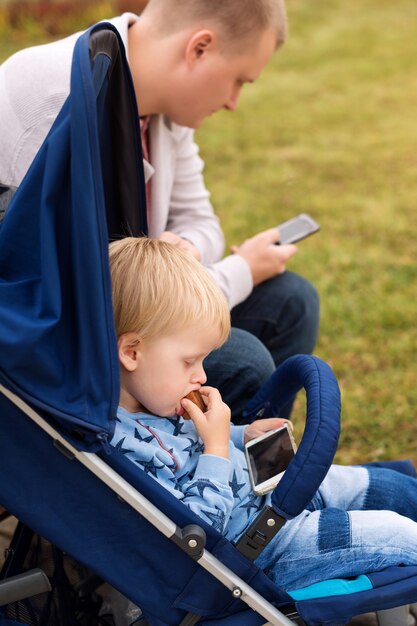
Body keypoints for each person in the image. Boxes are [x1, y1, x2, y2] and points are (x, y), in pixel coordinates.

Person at [0, 0, 319, 421]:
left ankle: (250, 462)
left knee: (291, 302)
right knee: (245, 361)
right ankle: (200, 474)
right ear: (199, 48)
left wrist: (181, 251)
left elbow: (203, 224)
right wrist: (238, 271)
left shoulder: (165, 107)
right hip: (74, 347)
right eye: (239, 80)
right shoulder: (57, 100)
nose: (234, 102)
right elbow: (75, 302)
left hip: (131, 312)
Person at [108, 236, 417, 593]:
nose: (202, 375)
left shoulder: (155, 399)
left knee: (379, 487)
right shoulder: (126, 451)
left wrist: (242, 434)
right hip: (263, 547)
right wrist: (218, 448)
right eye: (189, 361)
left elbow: (195, 441)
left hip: (270, 492)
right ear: (131, 351)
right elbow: (197, 536)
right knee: (396, 534)